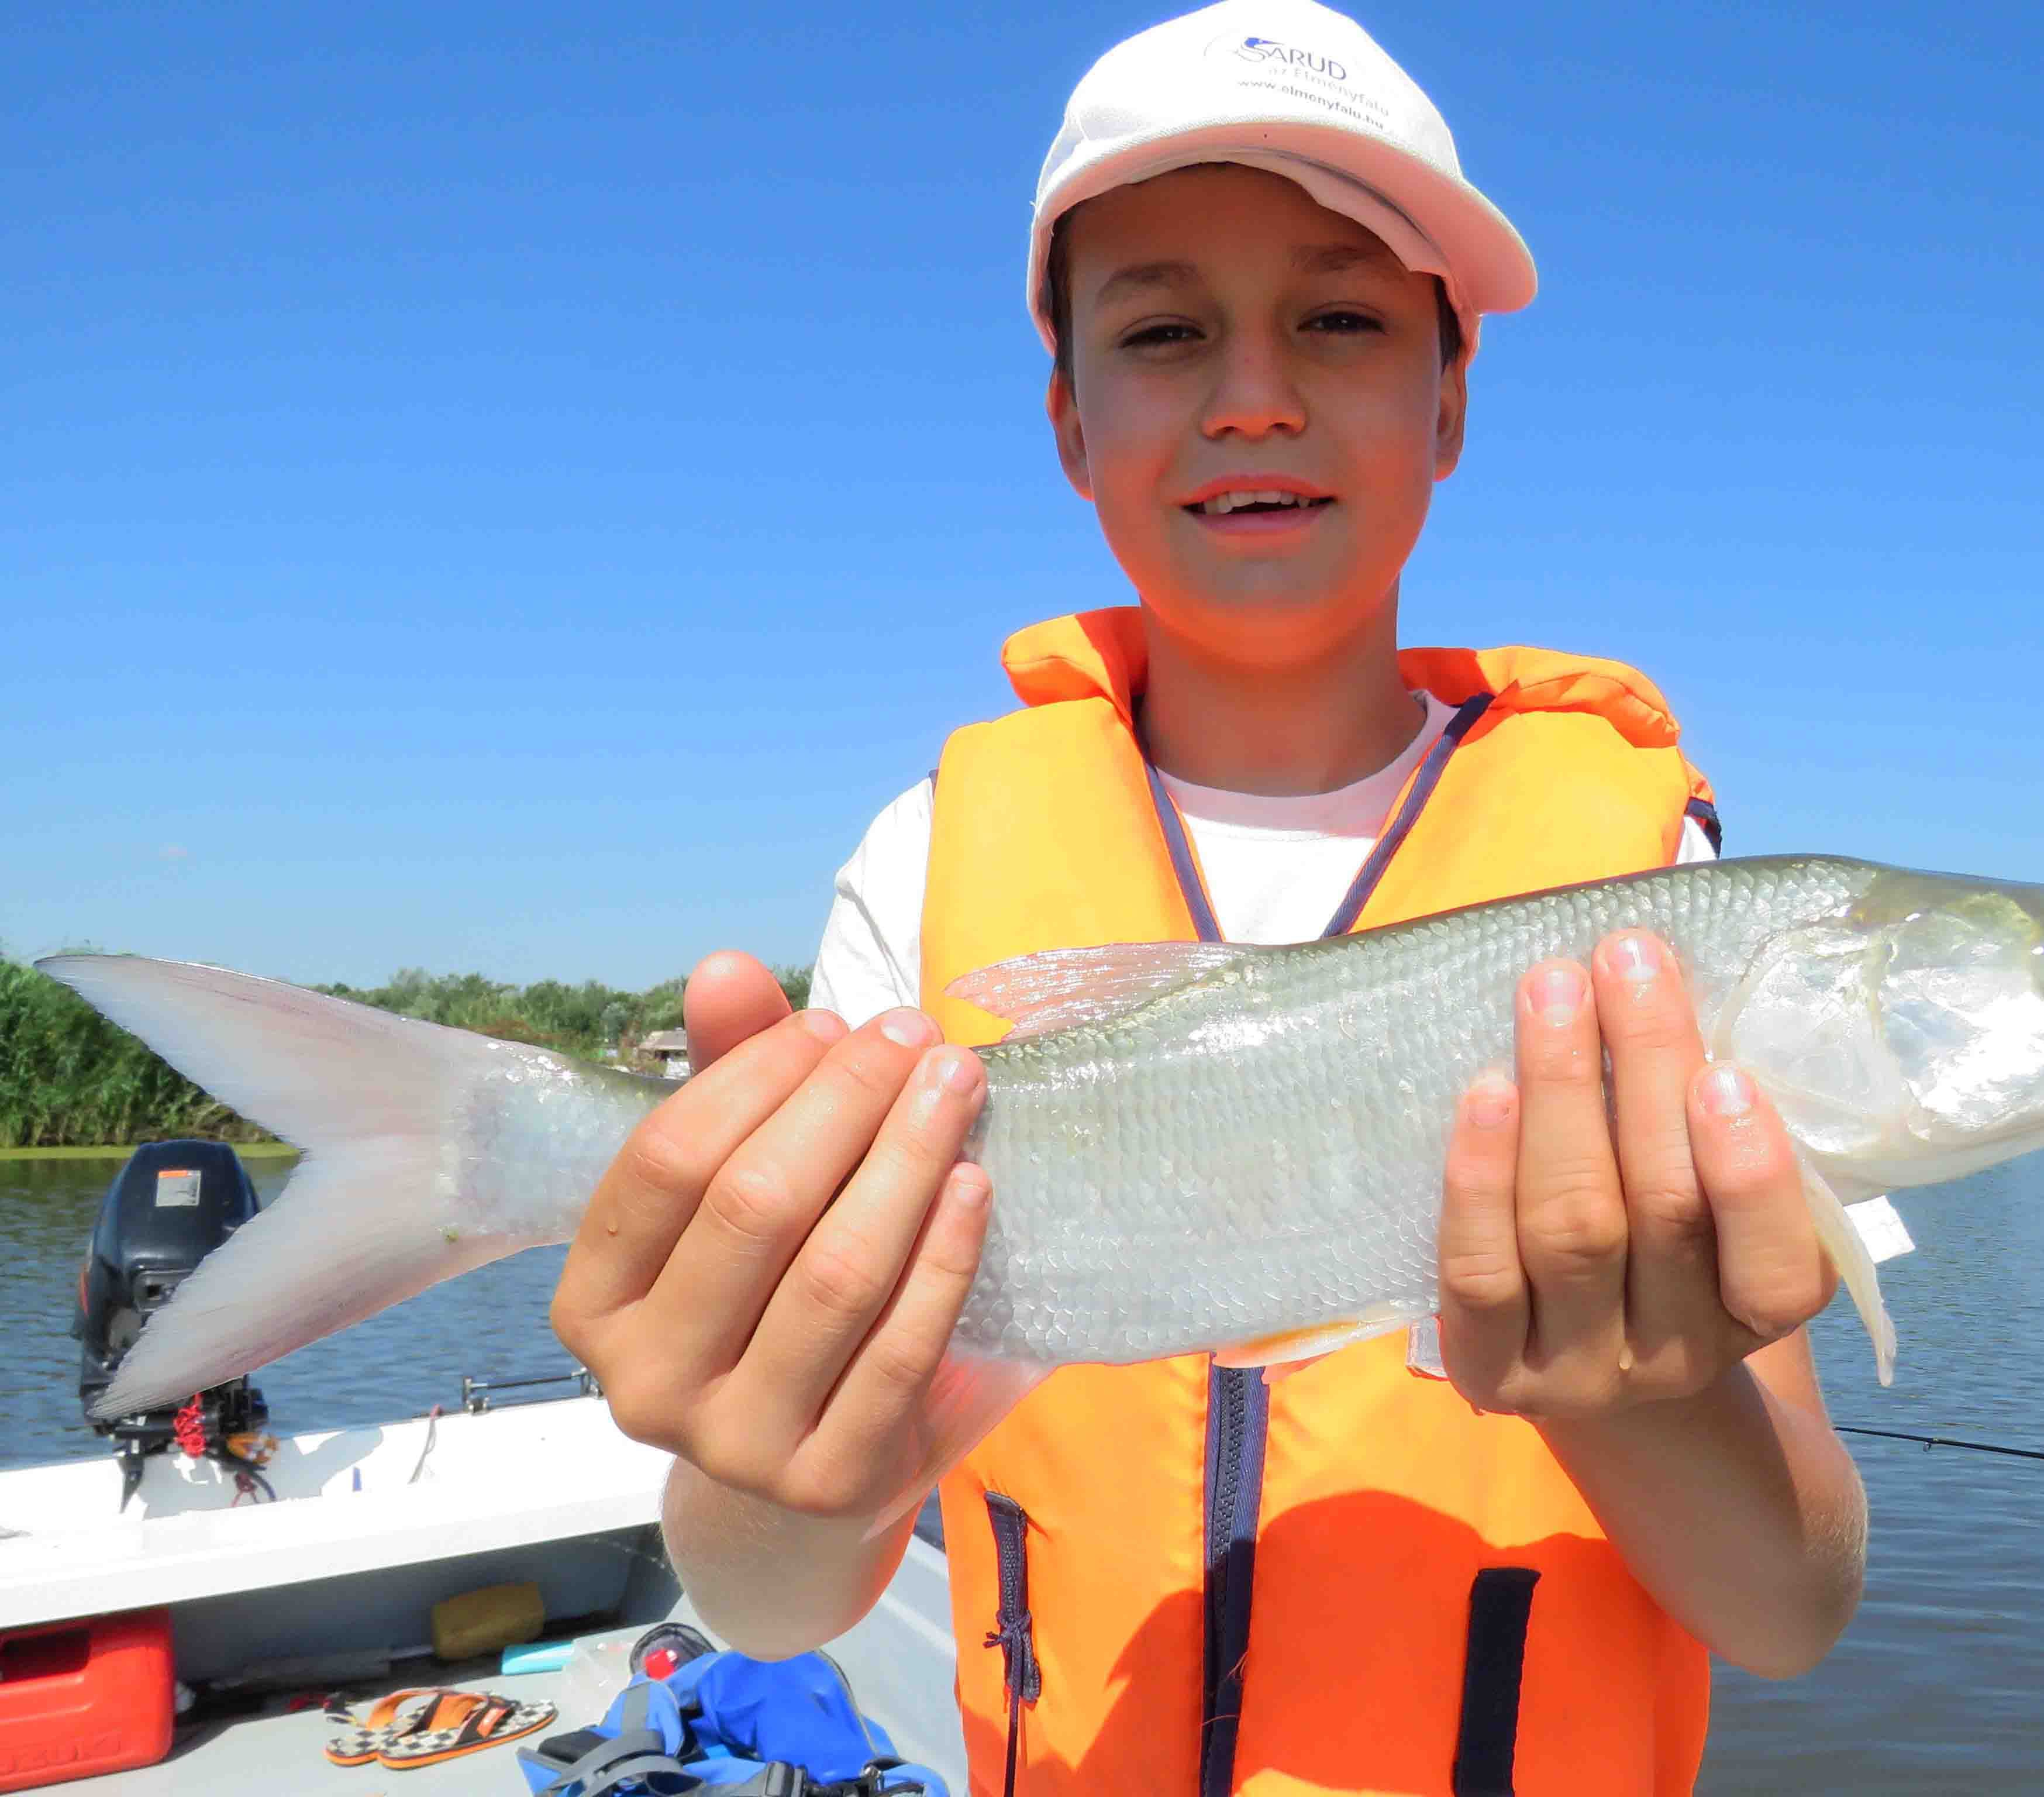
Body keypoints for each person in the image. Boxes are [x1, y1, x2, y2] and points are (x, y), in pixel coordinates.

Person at [551, 4, 1867, 1791]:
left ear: (1451, 398)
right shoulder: (926, 858)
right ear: (1072, 423)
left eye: (1340, 318)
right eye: (1166, 331)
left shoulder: (1661, 902)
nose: (1256, 392)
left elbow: (1791, 1612)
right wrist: (786, 1459)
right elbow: (768, 1601)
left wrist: (1635, 1388)